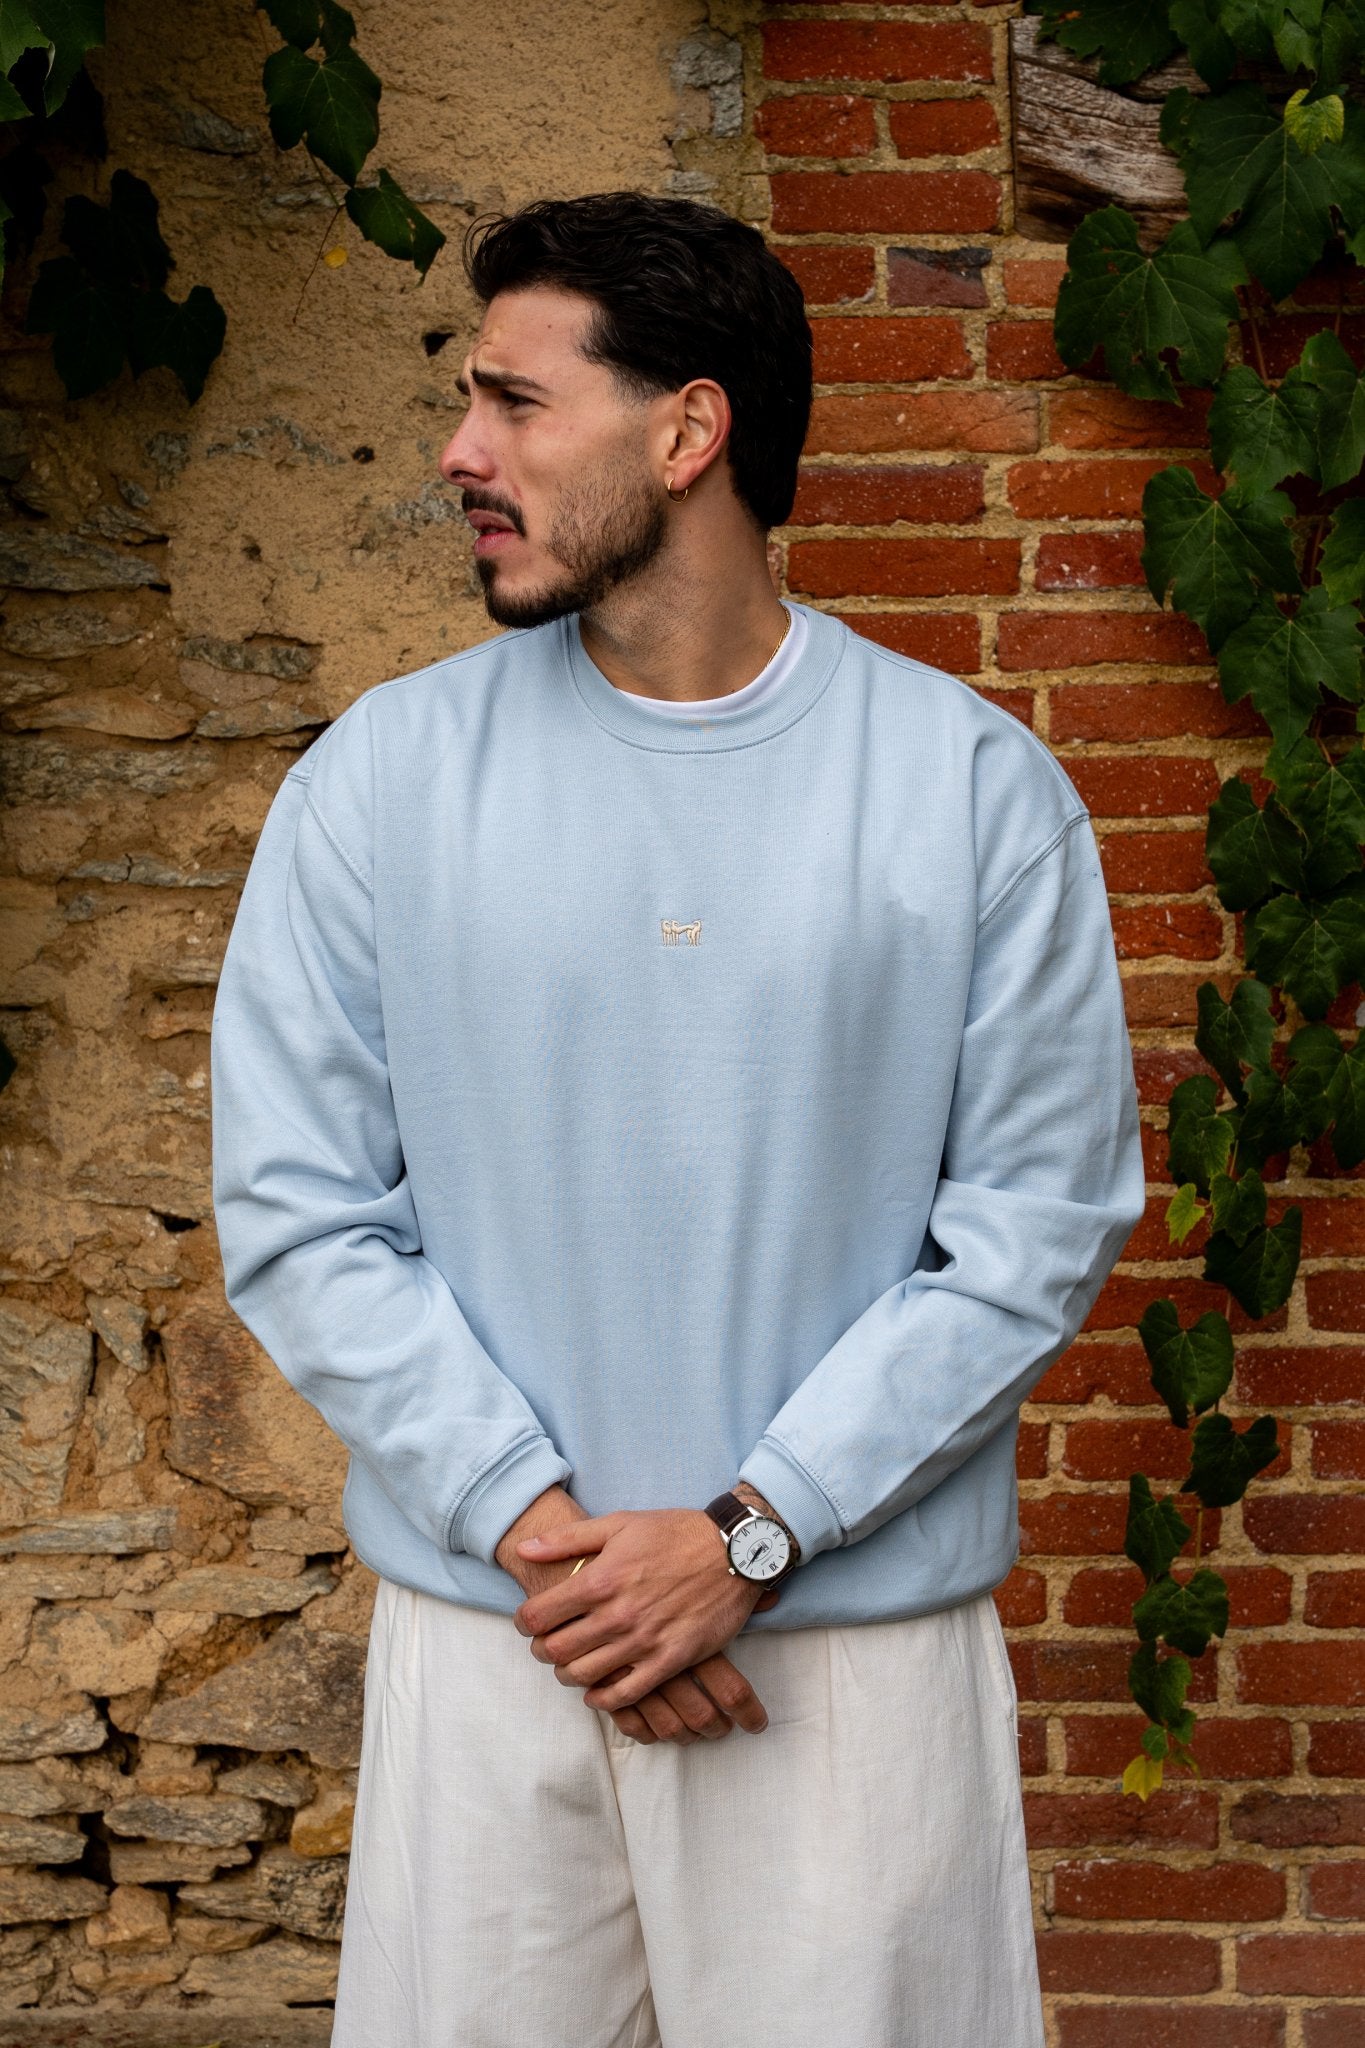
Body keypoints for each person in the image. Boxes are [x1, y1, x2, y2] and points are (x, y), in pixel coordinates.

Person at [210, 189, 1146, 2048]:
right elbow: (302, 1212)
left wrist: (746, 1540)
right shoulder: (384, 781)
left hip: (844, 1671)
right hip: (503, 1649)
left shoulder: (971, 791)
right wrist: (553, 1543)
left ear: (687, 430)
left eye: (513, 401)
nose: (460, 454)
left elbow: (1034, 1229)